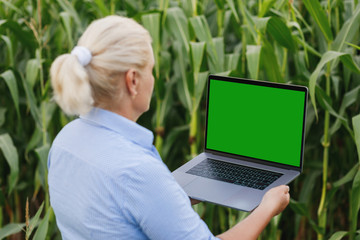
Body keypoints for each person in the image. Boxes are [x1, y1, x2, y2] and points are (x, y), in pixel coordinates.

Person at [48, 15, 290, 240]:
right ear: (133, 81)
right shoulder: (138, 172)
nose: (154, 79)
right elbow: (134, 186)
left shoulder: (64, 141)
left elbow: (118, 208)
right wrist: (267, 207)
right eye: (151, 70)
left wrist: (174, 193)